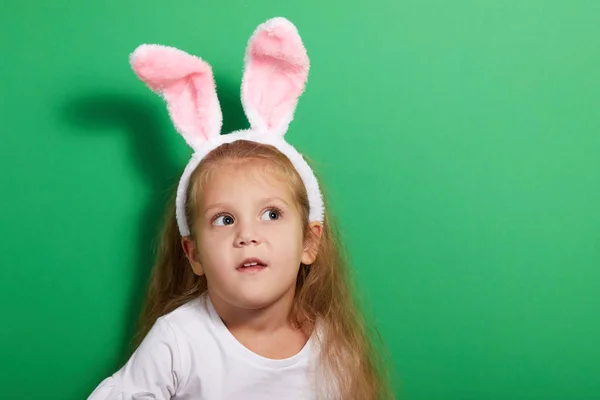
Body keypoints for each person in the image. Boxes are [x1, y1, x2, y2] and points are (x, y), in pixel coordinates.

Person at [88, 16, 393, 400]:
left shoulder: (332, 351)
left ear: (310, 242)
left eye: (271, 214)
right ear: (194, 252)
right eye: (225, 219)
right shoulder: (178, 341)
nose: (247, 235)